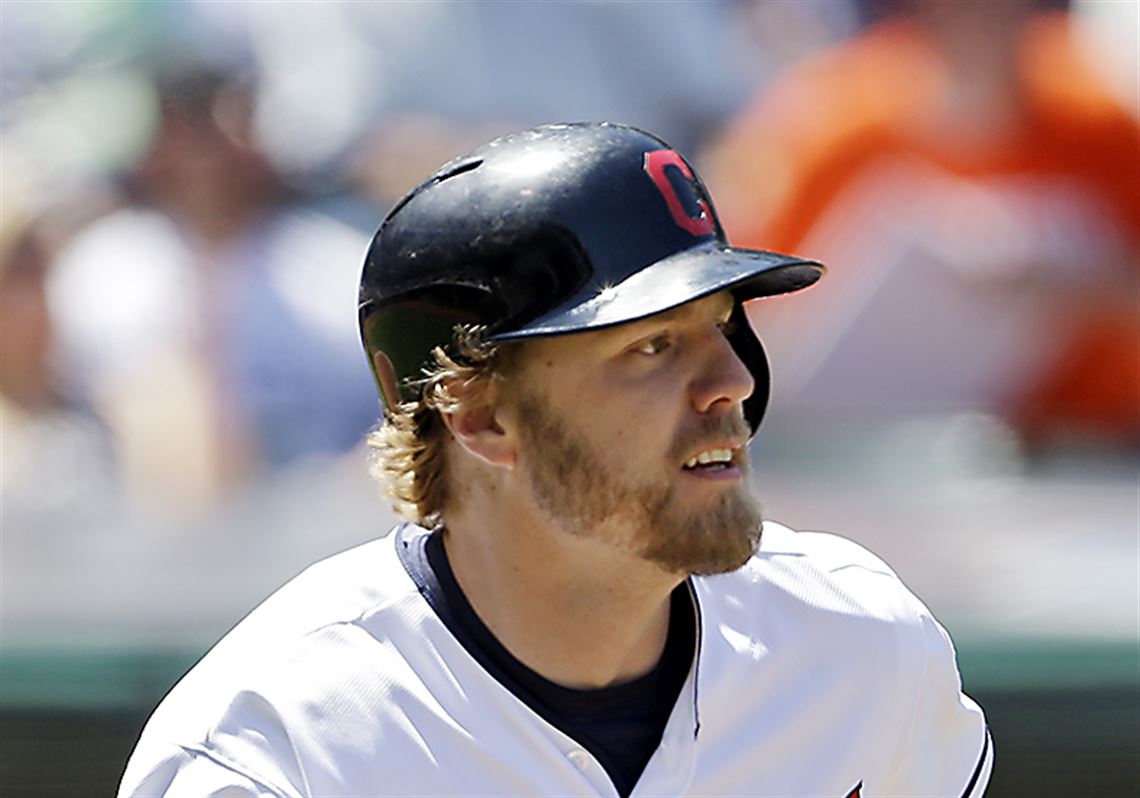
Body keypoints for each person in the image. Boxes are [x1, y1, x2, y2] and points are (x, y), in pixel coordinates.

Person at [118, 123, 991, 797]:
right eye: (653, 345)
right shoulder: (273, 750)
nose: (727, 380)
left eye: (724, 325)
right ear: (483, 416)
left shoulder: (860, 646)